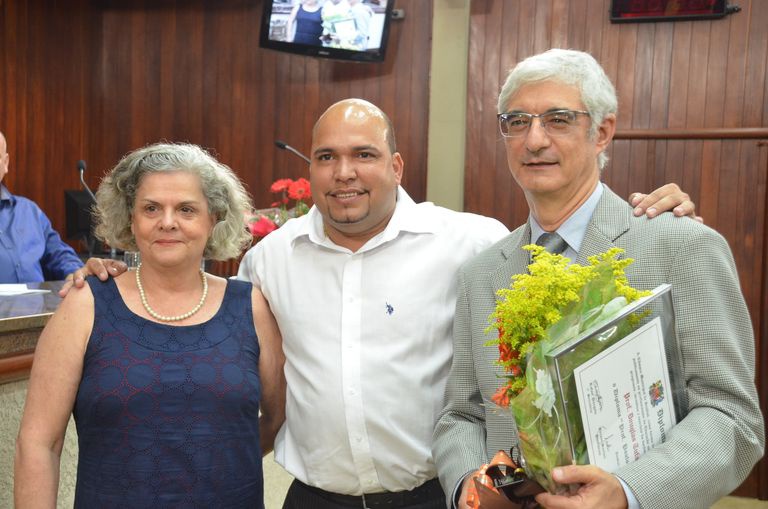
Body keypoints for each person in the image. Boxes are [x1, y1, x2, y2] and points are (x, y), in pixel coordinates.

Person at [67, 100, 698, 508]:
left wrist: (654, 217)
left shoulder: (473, 243)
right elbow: (255, 387)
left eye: (364, 155)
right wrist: (105, 267)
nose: (345, 172)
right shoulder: (269, 261)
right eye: (328, 157)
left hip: (437, 496)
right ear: (309, 170)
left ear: (396, 165)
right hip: (312, 499)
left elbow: (576, 266)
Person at [431, 49, 765, 509]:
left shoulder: (680, 245)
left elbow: (732, 418)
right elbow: (463, 412)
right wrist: (471, 488)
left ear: (602, 131)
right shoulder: (481, 273)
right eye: (517, 121)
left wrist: (629, 492)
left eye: (558, 120)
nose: (534, 140)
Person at [15, 143, 285, 508]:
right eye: (151, 208)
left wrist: (214, 464)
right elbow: (39, 443)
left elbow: (278, 416)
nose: (167, 221)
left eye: (186, 209)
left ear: (214, 217)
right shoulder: (85, 304)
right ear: (130, 218)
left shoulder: (250, 306)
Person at [0, 130, 83, 283]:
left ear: (5, 163)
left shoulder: (29, 211)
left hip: (38, 306)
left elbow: (59, 254)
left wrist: (76, 275)